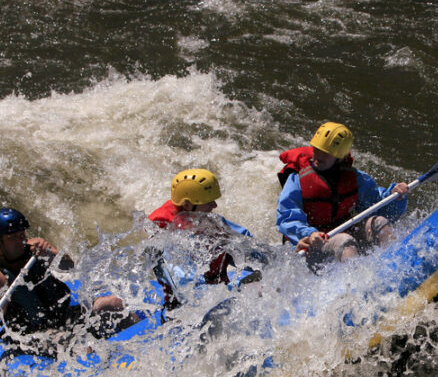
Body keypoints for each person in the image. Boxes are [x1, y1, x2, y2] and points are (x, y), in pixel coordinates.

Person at [0, 207, 134, 358]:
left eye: (21, 235)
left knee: (114, 303)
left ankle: (144, 337)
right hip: (31, 333)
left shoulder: (36, 248)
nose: (20, 241)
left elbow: (69, 266)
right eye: (12, 238)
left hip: (61, 316)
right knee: (75, 344)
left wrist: (51, 254)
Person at [276, 122, 409, 265]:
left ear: (339, 157)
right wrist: (309, 234)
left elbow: (382, 208)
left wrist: (396, 196)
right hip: (313, 243)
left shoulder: (356, 178)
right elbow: (286, 218)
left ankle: (398, 264)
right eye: (317, 149)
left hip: (345, 234)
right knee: (344, 241)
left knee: (379, 222)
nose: (318, 156)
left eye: (326, 153)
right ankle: (358, 282)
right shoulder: (297, 180)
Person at [148, 169, 257, 306]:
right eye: (209, 201)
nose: (215, 205)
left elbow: (247, 243)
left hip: (220, 294)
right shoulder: (165, 234)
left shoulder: (207, 220)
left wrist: (273, 260)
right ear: (187, 205)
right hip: (188, 307)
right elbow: (186, 284)